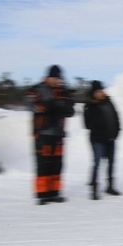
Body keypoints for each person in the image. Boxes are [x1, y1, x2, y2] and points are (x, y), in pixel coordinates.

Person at [26, 65, 74, 205]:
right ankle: (42, 194)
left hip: (58, 134)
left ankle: (54, 192)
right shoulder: (37, 89)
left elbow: (69, 111)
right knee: (43, 164)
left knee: (57, 164)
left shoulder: (63, 91)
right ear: (48, 77)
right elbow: (32, 106)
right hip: (43, 133)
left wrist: (67, 105)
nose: (57, 80)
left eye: (58, 78)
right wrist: (50, 105)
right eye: (54, 78)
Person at [84, 80, 121, 199]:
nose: (101, 93)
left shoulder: (109, 102)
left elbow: (116, 117)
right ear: (93, 93)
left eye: (101, 90)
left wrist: (116, 131)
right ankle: (94, 189)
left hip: (111, 138)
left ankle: (110, 186)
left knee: (111, 163)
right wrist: (100, 132)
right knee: (97, 163)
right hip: (97, 140)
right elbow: (87, 124)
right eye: (98, 91)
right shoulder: (89, 106)